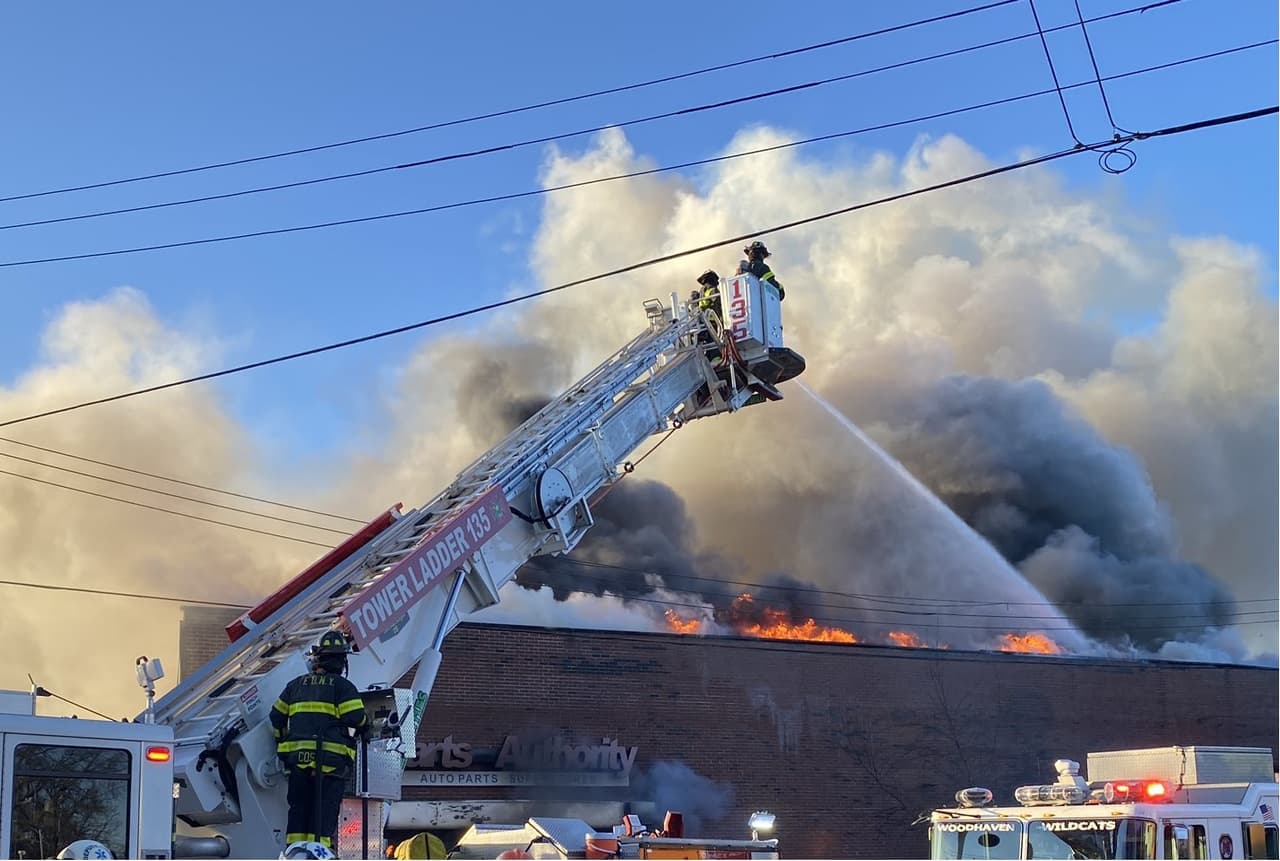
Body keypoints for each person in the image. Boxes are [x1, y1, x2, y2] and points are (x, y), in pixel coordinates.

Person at [271, 631, 369, 853]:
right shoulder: (342, 687)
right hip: (330, 763)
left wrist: (282, 743)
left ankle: (295, 852)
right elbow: (355, 718)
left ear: (317, 658)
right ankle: (319, 853)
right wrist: (367, 724)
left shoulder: (295, 685)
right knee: (323, 813)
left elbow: (276, 716)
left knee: (299, 810)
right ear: (342, 661)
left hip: (298, 762)